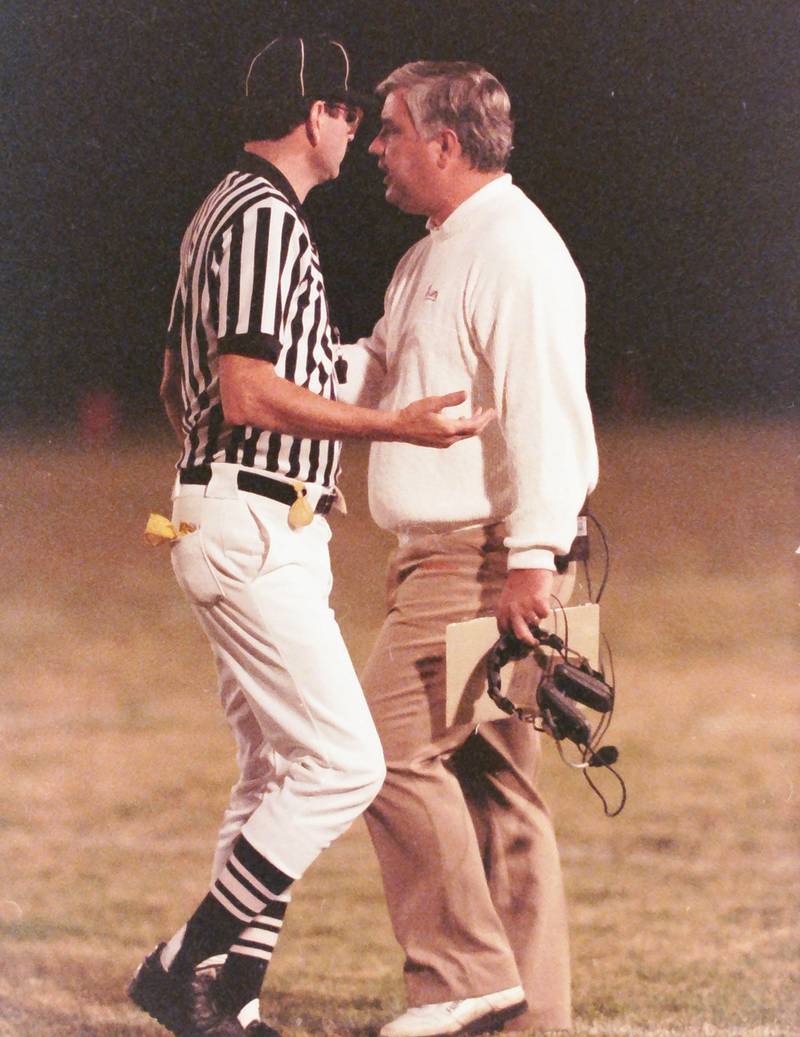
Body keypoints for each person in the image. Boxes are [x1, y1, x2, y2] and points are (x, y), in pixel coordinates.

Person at [128, 39, 493, 1037]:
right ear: (311, 115)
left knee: (273, 770)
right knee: (343, 764)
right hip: (251, 520)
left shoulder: (225, 209)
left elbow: (179, 378)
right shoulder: (260, 218)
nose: (361, 134)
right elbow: (244, 388)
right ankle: (185, 960)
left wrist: (215, 469)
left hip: (234, 510)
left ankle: (227, 996)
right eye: (348, 113)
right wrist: (393, 426)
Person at [338, 61, 599, 1037]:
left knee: (381, 751)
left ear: (443, 143)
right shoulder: (433, 251)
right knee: (497, 792)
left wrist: (531, 558)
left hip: (487, 558)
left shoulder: (513, 251)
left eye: (391, 130)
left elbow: (544, 415)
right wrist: (270, 371)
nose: (376, 148)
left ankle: (458, 975)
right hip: (468, 555)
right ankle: (530, 1019)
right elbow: (374, 369)